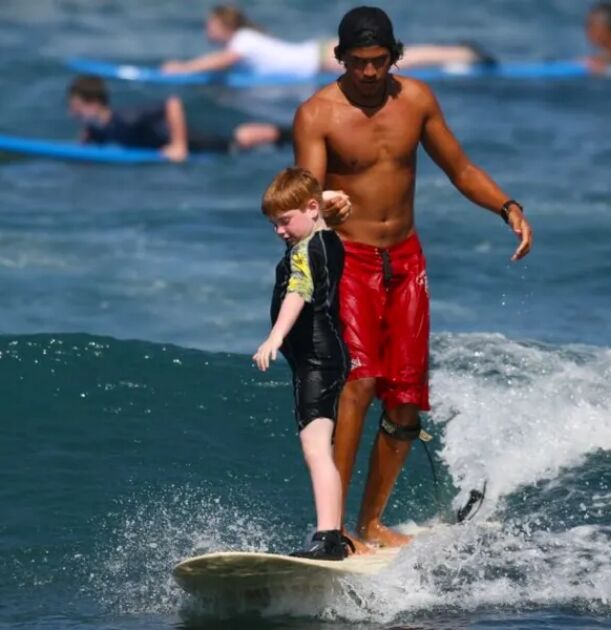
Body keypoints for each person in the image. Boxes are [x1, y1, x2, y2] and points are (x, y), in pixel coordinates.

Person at [293, 6, 533, 552]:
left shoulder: (417, 101)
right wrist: (321, 205)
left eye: (379, 61)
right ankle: (333, 529)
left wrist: (507, 207)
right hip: (347, 261)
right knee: (356, 385)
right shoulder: (317, 115)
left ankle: (371, 523)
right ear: (340, 58)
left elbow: (461, 169)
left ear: (393, 56)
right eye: (358, 62)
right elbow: (304, 193)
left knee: (403, 399)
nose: (370, 73)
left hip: (406, 262)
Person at [253, 167, 354, 560]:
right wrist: (319, 197)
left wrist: (275, 337)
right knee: (317, 446)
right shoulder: (323, 235)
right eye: (273, 223)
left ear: (310, 209)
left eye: (283, 221)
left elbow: (298, 291)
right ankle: (330, 533)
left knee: (316, 449)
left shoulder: (308, 249)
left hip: (318, 357)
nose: (279, 230)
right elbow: (317, 208)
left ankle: (330, 537)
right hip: (319, 357)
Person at [162, 5, 491, 77]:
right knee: (405, 55)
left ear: (224, 26)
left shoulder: (243, 41)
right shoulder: (247, 38)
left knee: (404, 57)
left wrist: (182, 68)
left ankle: (463, 53)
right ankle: (459, 51)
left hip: (319, 57)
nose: (207, 31)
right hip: (317, 53)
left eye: (211, 26)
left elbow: (223, 61)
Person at [67, 75, 292, 162]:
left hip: (200, 141)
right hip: (192, 145)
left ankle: (296, 132)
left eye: (76, 108)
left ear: (93, 104)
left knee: (239, 140)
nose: (72, 113)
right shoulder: (102, 128)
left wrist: (178, 145)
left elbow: (172, 103)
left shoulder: (126, 118)